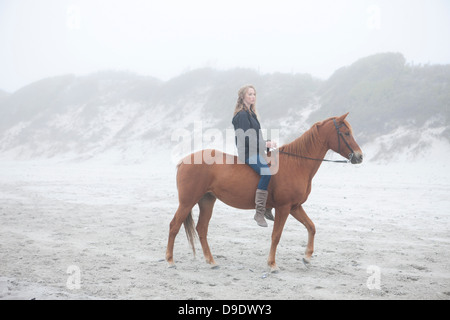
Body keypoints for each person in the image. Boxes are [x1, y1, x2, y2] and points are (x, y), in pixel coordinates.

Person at [232, 85, 277, 227]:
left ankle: (268, 206)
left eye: (254, 94)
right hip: (247, 152)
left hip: (256, 150)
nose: (252, 96)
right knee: (266, 172)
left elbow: (255, 136)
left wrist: (266, 142)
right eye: (250, 94)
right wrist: (266, 145)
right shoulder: (242, 115)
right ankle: (259, 212)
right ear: (243, 97)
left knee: (275, 167)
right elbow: (246, 138)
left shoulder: (251, 113)